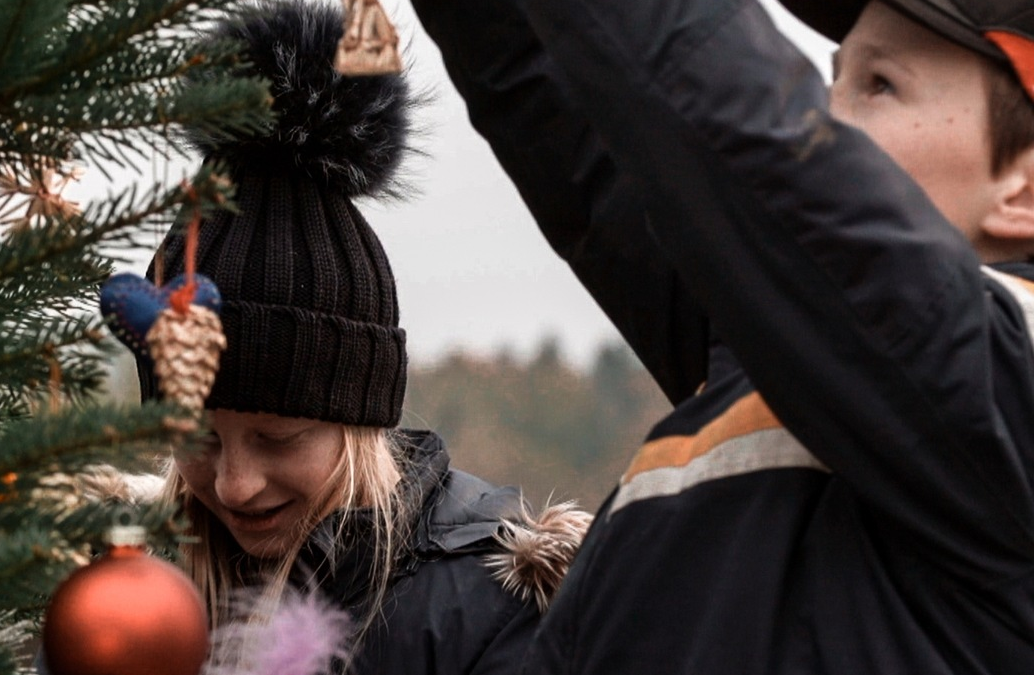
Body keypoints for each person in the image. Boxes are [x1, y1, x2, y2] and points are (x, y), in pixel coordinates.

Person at [406, 0, 1034, 672]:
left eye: (881, 84)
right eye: (829, 82)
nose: (825, 116)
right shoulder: (771, 360)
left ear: (1022, 189)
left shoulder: (1000, 383)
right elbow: (566, 105)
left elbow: (734, 118)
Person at [139, 2, 592, 674]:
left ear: (360, 415)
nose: (234, 485)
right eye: (198, 437)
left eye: (278, 436)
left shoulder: (491, 608)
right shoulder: (123, 594)